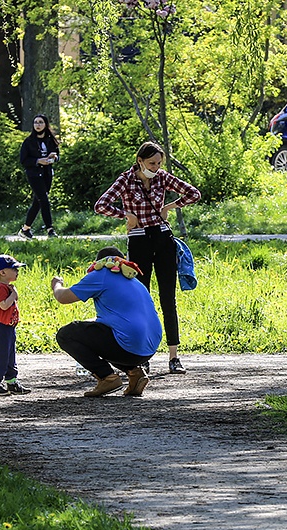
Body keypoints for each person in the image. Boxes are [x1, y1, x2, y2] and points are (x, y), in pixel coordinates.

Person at [94, 141, 200, 375]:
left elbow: (194, 193)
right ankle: (142, 355)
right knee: (141, 298)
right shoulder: (126, 180)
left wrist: (171, 206)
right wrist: (126, 215)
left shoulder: (162, 177)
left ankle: (174, 357)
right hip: (139, 239)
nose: (156, 167)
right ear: (140, 161)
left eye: (159, 163)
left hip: (162, 238)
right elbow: (100, 205)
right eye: (152, 163)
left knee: (168, 298)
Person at [51, 246, 163, 397]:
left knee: (66, 334)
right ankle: (135, 373)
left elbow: (63, 298)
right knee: (104, 333)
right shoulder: (133, 280)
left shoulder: (101, 274)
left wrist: (56, 285)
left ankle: (107, 377)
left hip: (128, 346)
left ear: (99, 262)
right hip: (149, 347)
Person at [0, 254, 31, 396]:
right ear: (3, 272)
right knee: (0, 357)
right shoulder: (1, 287)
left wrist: (13, 293)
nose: (17, 272)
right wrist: (14, 295)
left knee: (10, 357)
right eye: (14, 269)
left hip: (9, 328)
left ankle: (12, 382)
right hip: (1, 328)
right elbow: (4, 305)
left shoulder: (7, 287)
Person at [18, 114, 60, 239]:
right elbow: (24, 160)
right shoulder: (28, 142)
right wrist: (38, 161)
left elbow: (57, 155)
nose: (38, 125)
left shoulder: (50, 140)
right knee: (44, 199)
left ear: (45, 125)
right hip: (34, 174)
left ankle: (25, 229)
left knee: (38, 201)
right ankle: (50, 229)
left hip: (47, 173)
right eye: (36, 122)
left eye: (40, 122)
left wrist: (54, 157)